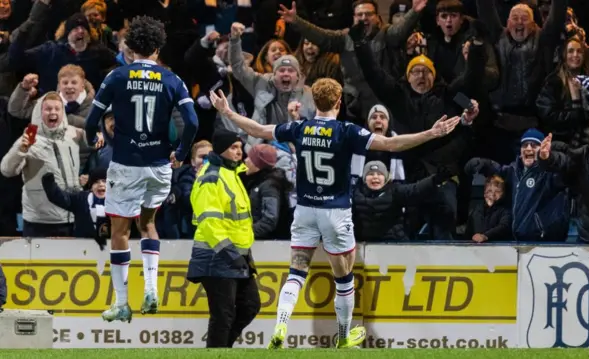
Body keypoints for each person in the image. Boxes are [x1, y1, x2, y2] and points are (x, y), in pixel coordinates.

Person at [208, 78, 463, 349]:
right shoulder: (346, 130)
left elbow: (257, 128)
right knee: (343, 276)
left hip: (305, 209)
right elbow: (392, 145)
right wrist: (431, 133)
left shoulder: (299, 127)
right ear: (339, 103)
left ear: (314, 102)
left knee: (296, 271)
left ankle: (281, 323)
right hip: (335, 211)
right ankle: (342, 337)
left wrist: (227, 112)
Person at [84, 15, 199, 323]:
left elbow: (92, 118)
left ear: (130, 47)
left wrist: (91, 136)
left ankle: (122, 302)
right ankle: (151, 288)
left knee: (120, 231)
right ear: (158, 49)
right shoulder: (172, 80)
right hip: (160, 167)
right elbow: (193, 122)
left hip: (126, 165)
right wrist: (181, 152)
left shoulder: (117, 76)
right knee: (148, 224)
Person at [186, 129, 261, 348]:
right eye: (233, 148)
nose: (239, 152)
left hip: (236, 254)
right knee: (223, 315)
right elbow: (210, 223)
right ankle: (218, 351)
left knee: (249, 306)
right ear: (221, 150)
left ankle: (221, 349)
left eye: (240, 147)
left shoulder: (231, 173)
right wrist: (230, 254)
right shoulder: (211, 177)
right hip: (217, 255)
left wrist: (242, 255)